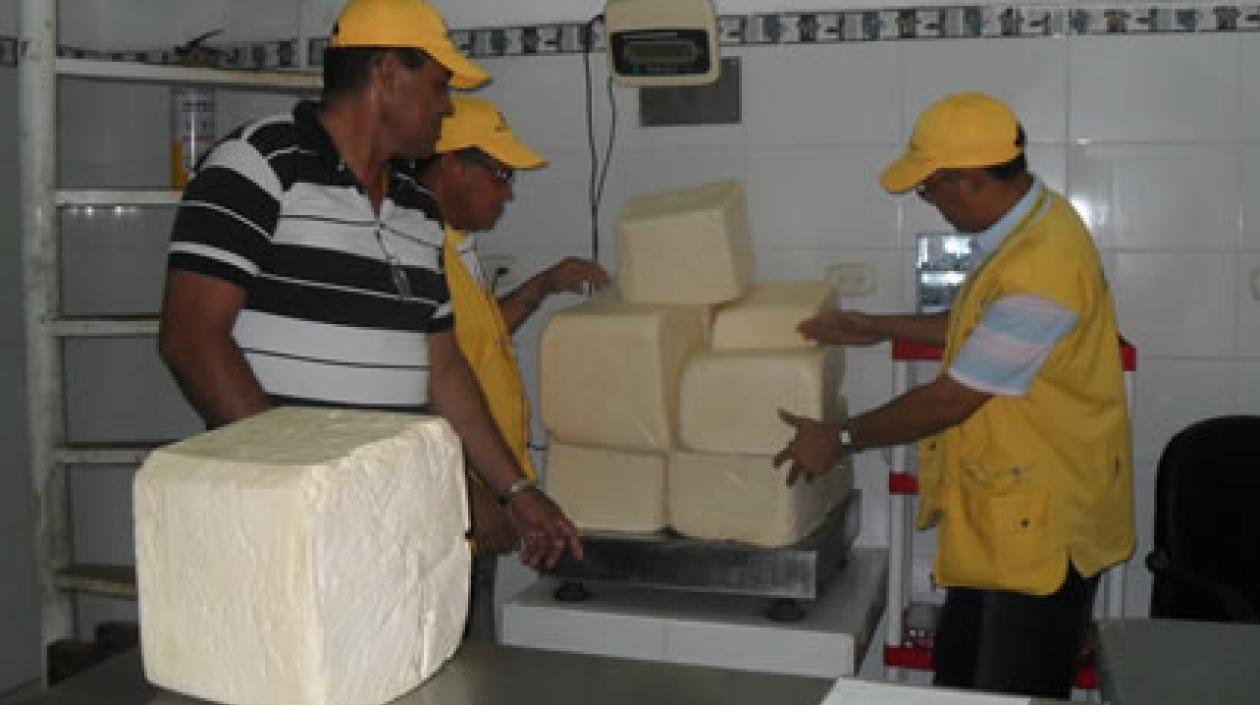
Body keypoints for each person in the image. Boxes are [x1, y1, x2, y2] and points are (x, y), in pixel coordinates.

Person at [156, 0, 582, 571]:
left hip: (383, 521)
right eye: (439, 87)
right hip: (279, 524)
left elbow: (444, 372)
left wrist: (515, 492)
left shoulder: (418, 209)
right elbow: (190, 339)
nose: (447, 107)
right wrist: (301, 485)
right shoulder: (259, 164)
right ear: (386, 73)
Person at [773, 92, 1134, 699]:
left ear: (969, 180)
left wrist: (839, 438)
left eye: (929, 188)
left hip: (1042, 533)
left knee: (1007, 691)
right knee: (959, 683)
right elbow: (985, 332)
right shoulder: (1032, 229)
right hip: (1009, 522)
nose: (931, 202)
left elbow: (951, 400)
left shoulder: (1041, 266)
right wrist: (875, 326)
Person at [413, 95, 609, 639]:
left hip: (486, 491)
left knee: (475, 643)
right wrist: (479, 495)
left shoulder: (454, 246)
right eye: (500, 176)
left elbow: (471, 343)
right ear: (453, 165)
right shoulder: (415, 252)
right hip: (454, 501)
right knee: (449, 653)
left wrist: (542, 286)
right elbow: (414, 388)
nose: (509, 193)